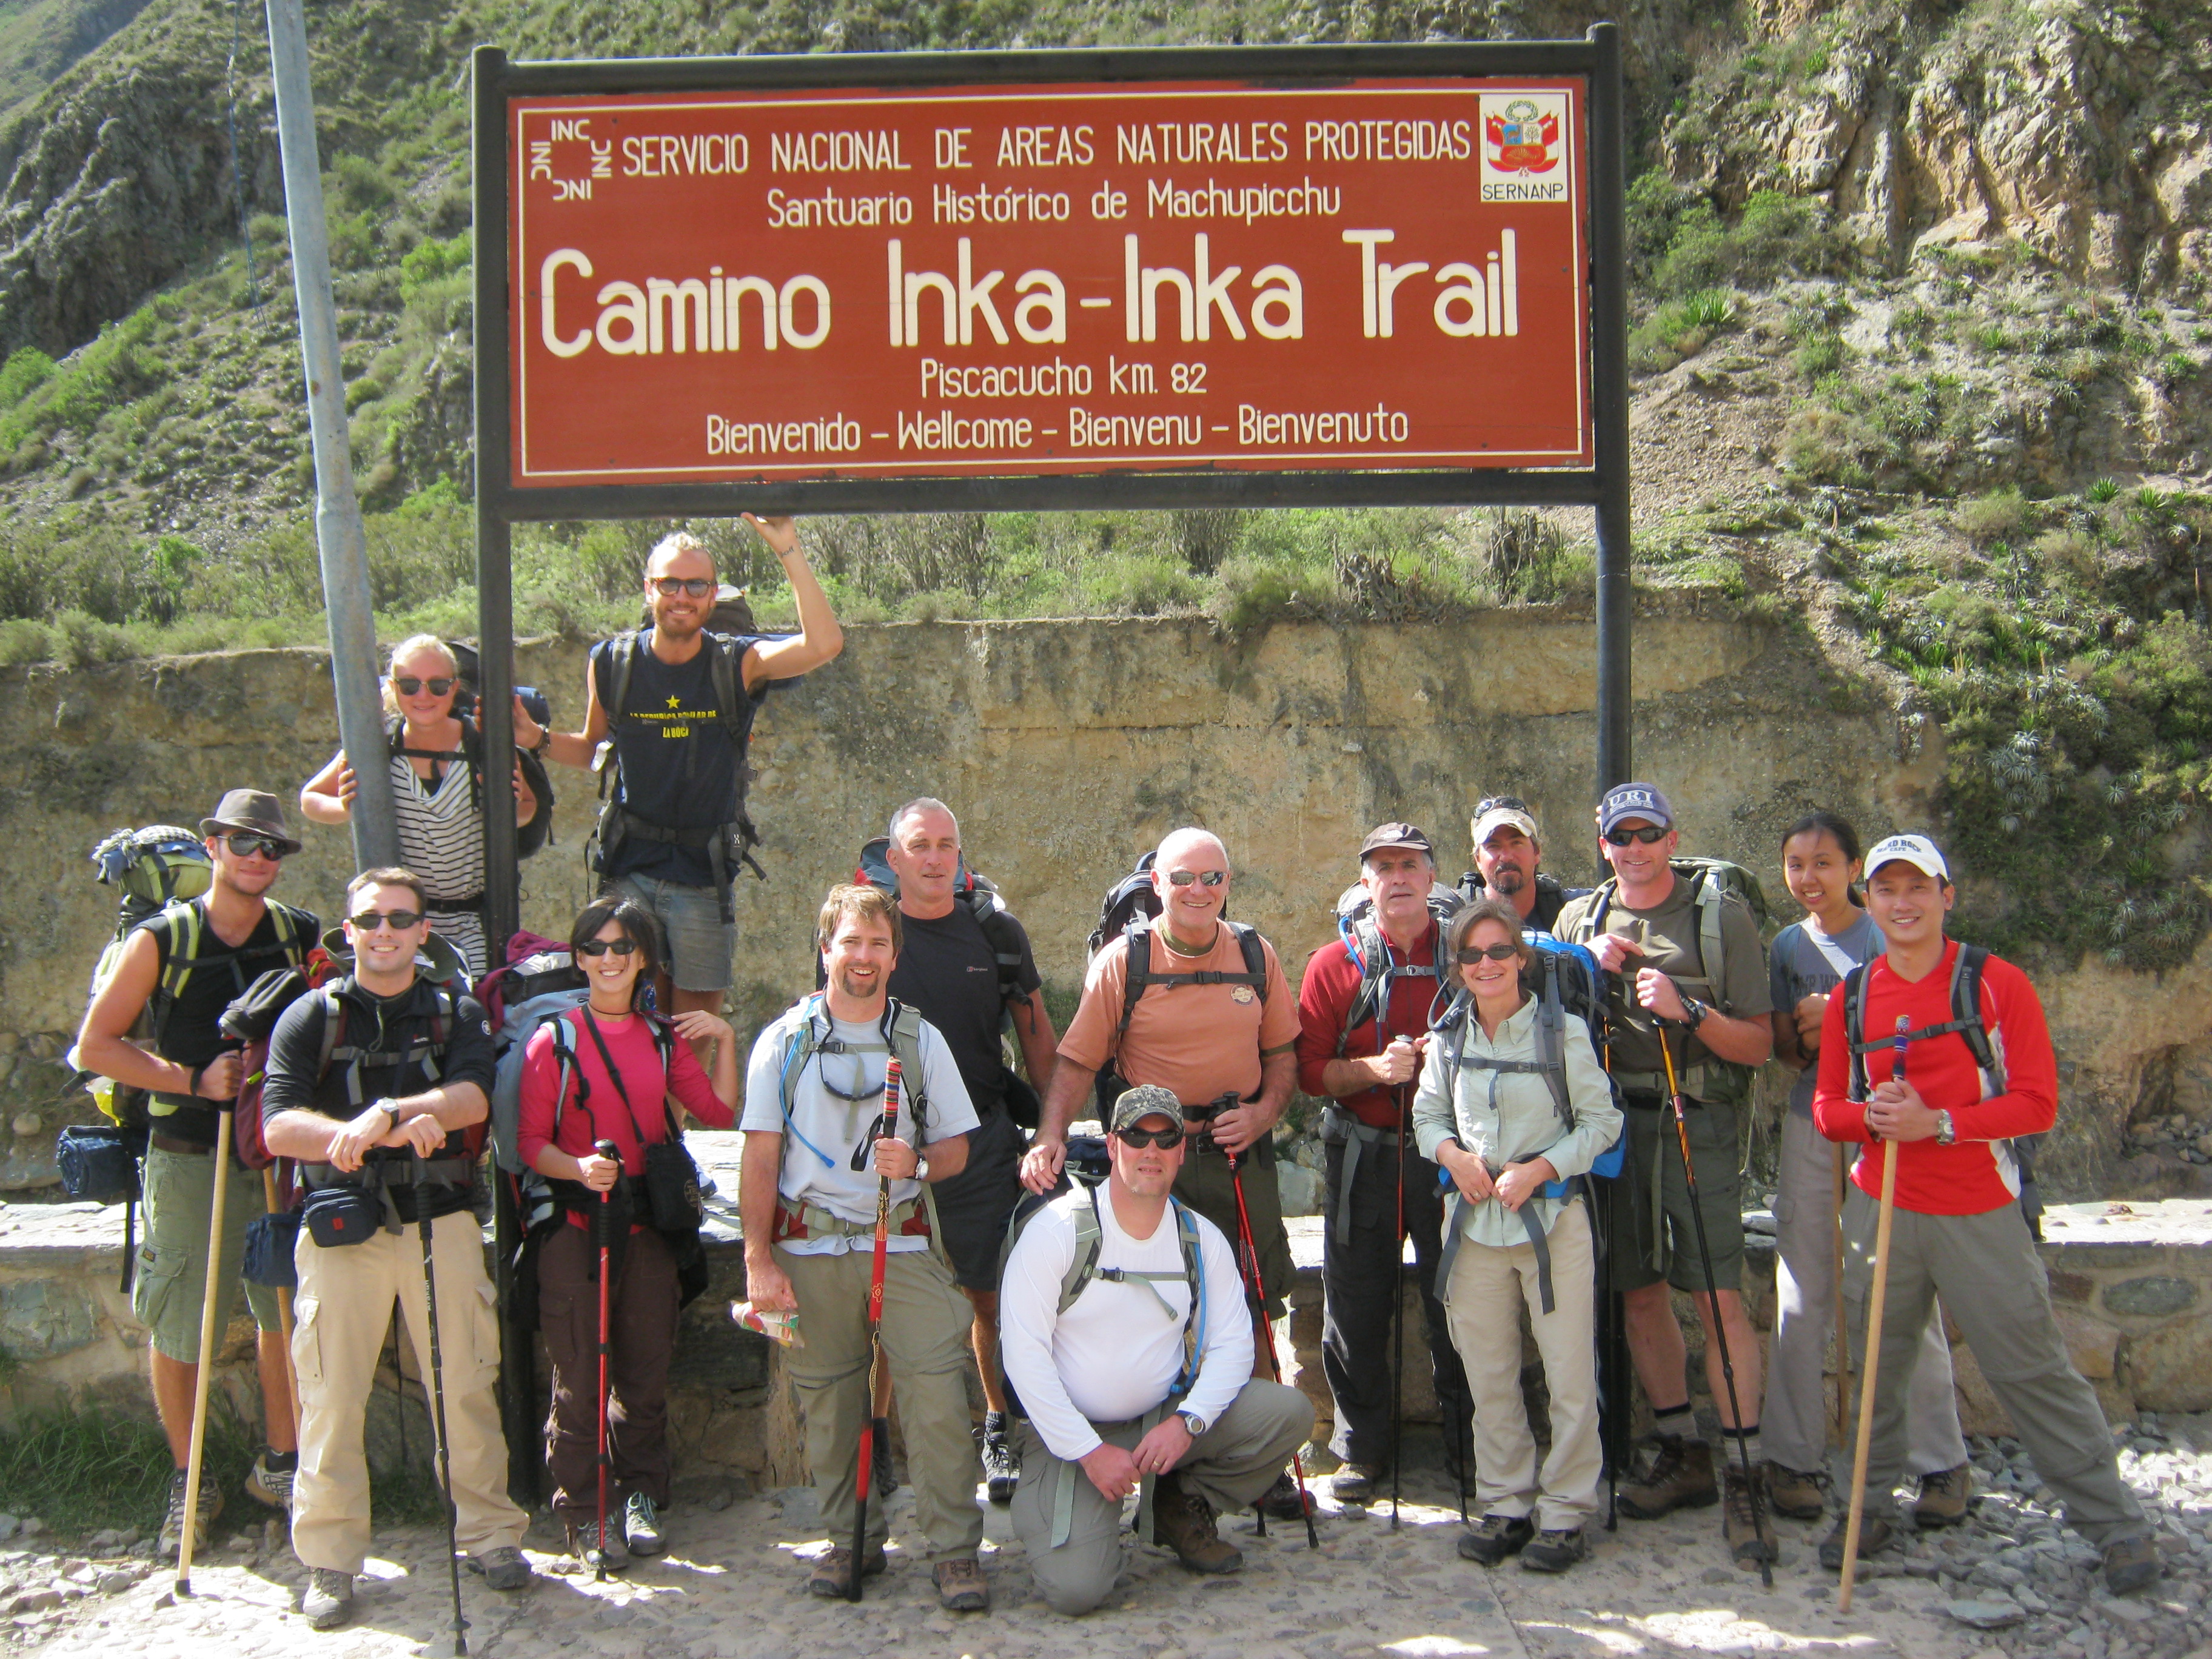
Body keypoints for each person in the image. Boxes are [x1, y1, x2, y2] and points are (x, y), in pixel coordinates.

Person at [1811, 834, 2160, 1594]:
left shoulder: (1997, 985)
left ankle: (2115, 1524)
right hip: (1882, 1205)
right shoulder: (1854, 996)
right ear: (1868, 901)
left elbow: (2036, 1103)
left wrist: (1935, 1123)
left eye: (1917, 889)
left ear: (1947, 896)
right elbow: (1827, 1110)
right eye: (1886, 891)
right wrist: (1873, 1119)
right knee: (1874, 1367)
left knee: (2030, 1367)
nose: (1902, 905)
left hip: (1977, 1209)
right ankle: (1863, 1507)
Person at [261, 868, 532, 1631]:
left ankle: (488, 1535)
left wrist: (381, 1113)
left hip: (437, 1217)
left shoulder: (457, 1011)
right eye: (369, 918)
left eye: (400, 919)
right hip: (342, 1226)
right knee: (331, 1394)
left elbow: (473, 1097)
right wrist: (366, 1131)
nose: (384, 931)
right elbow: (279, 1126)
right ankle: (330, 1559)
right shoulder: (310, 1018)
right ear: (347, 931)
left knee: (465, 1385)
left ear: (423, 932)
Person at [1022, 826, 1307, 1521]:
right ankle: (1163, 1467)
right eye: (1184, 878)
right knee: (1164, 1308)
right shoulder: (1126, 962)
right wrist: (1049, 1137)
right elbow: (1078, 1061)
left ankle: (1259, 1468)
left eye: (1213, 878)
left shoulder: (1254, 955)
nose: (1199, 891)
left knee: (1257, 1300)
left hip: (1239, 1157)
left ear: (1229, 884)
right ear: (1158, 885)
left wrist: (1265, 1114)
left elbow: (1284, 1060)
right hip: (1156, 1163)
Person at [73, 789, 315, 1553]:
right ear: (212, 845)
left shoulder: (297, 935)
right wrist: (191, 1081)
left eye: (271, 848)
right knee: (182, 1323)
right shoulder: (161, 940)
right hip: (185, 1156)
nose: (256, 857)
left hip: (271, 1154)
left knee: (280, 1312)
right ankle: (191, 1476)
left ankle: (283, 1466)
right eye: (243, 842)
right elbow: (96, 1048)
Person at [739, 883, 989, 1610]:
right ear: (826, 950)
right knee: (829, 1404)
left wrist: (914, 1164)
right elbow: (760, 1156)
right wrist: (758, 1260)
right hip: (809, 1250)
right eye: (851, 942)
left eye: (878, 944)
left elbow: (958, 1147)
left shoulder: (919, 1040)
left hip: (901, 1243)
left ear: (894, 956)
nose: (864, 957)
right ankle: (851, 1541)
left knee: (936, 1393)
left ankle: (954, 1552)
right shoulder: (784, 1042)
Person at [1553, 782, 1777, 1569]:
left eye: (1649, 834)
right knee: (1639, 1290)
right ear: (1603, 840)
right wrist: (1585, 962)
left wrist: (1691, 1013)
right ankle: (1682, 1450)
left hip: (1702, 1122)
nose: (1635, 848)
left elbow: (1760, 1044)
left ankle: (1744, 1469)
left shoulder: (1721, 920)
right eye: (1622, 835)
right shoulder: (1580, 920)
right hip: (1618, 1128)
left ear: (1672, 836)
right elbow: (1546, 1015)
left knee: (1718, 1296)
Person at [1000, 1085, 1315, 1614]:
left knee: (1287, 1414)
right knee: (1077, 1592)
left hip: (1163, 1420)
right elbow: (1023, 1357)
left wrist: (1187, 1422)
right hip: (1069, 1435)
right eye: (1136, 1137)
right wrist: (1089, 1452)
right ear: (1112, 1145)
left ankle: (1173, 1505)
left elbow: (1234, 1346)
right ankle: (1083, 1520)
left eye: (1166, 1138)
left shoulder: (1201, 1239)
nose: (1151, 1151)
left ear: (1180, 1151)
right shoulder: (1056, 1232)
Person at [517, 520, 842, 1031]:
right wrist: (534, 738)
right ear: (649, 589)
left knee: (690, 1034)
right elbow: (593, 750)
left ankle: (675, 1116)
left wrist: (787, 548)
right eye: (670, 583)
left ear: (713, 595)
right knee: (621, 1020)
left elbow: (824, 644)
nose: (681, 596)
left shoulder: (737, 663)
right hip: (629, 867)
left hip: (702, 873)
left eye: (696, 585)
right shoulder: (613, 662)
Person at [516, 894, 739, 1568]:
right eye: (596, 948)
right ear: (579, 958)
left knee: (643, 1370)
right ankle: (585, 1510)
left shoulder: (663, 1040)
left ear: (643, 958)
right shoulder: (551, 1042)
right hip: (577, 1226)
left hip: (646, 1227)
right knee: (581, 1374)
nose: (609, 960)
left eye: (623, 948)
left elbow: (718, 1112)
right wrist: (579, 1169)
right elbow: (531, 1142)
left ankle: (640, 1494)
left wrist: (724, 1039)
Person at [1763, 812, 1969, 1527]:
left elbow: (1932, 1028)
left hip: (1891, 1126)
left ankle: (1940, 1461)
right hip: (1814, 1124)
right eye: (1795, 864)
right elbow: (1787, 1051)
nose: (1809, 877)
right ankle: (1793, 1455)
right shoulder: (1788, 945)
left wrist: (1845, 1019)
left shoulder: (1889, 930)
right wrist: (1812, 1037)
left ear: (1855, 870)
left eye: (1824, 862)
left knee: (1902, 1291)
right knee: (1802, 1287)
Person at [1415, 900, 1622, 1572]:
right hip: (1473, 1227)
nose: (1486, 965)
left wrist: (1540, 1169)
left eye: (1498, 952)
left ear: (1520, 960)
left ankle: (1565, 1513)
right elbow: (1426, 1117)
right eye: (1472, 955)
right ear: (1459, 965)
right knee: (1489, 1373)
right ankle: (1506, 1503)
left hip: (1553, 1222)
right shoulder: (1449, 1039)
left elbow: (1602, 1123)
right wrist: (1453, 1157)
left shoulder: (1561, 1035)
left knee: (1567, 1375)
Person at [879, 798, 1059, 1505]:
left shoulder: (996, 933)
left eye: (945, 845)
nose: (933, 858)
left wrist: (1052, 1131)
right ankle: (877, 1440)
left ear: (960, 855)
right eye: (918, 845)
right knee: (882, 1296)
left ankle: (999, 1424)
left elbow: (1037, 1038)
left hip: (982, 1139)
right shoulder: (871, 933)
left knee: (991, 1296)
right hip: (889, 1142)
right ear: (894, 860)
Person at [1294, 822, 1472, 1503]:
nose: (1397, 877)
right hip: (1364, 1157)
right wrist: (1373, 1069)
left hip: (1448, 1158)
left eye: (1410, 865)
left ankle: (1470, 1445)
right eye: (1383, 867)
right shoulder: (1333, 966)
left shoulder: (1467, 957)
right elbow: (1310, 1073)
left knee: (1457, 1299)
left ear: (1433, 879)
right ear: (1365, 884)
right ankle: (1360, 1449)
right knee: (1356, 1304)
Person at [299, 634, 541, 977]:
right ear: (395, 688)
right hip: (400, 928)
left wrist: (503, 807)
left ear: (455, 687)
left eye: (438, 685)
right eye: (410, 685)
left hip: (474, 926)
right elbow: (310, 800)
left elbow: (528, 807)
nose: (423, 696)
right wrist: (348, 808)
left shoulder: (484, 746)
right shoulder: (377, 746)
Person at [1461, 797, 1584, 934]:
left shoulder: (1577, 912)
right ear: (1477, 859)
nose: (1506, 857)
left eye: (1516, 843)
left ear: (1537, 852)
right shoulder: (1454, 917)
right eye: (1493, 846)